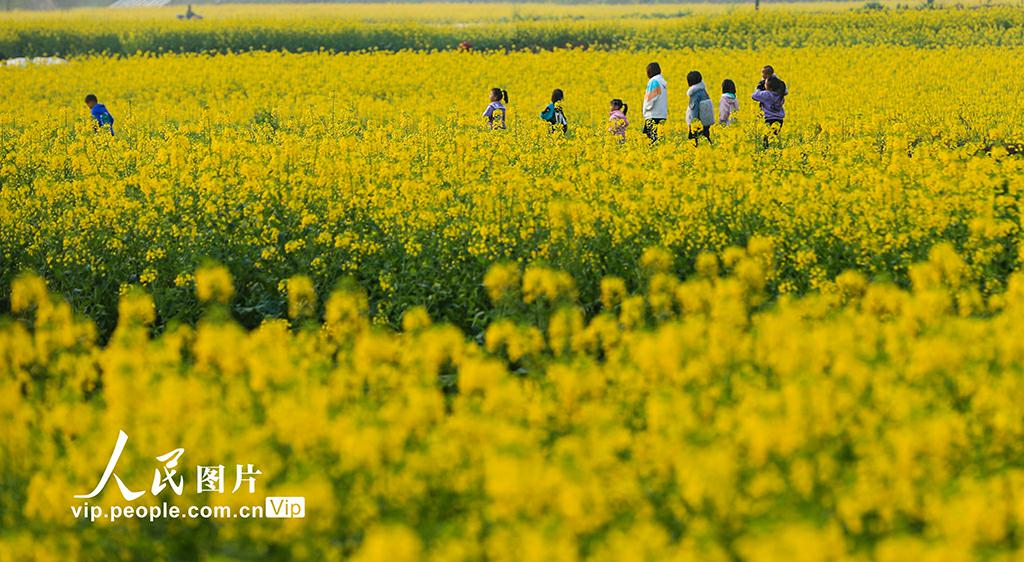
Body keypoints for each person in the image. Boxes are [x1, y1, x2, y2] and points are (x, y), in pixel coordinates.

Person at [752, 75, 786, 147]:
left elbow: (754, 96)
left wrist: (758, 88)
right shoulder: (780, 94)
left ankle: (767, 154)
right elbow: (785, 90)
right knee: (773, 139)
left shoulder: (766, 94)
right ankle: (774, 152)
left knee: (766, 141)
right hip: (779, 120)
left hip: (769, 120)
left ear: (769, 87)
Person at [685, 71, 715, 146]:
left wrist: (693, 124)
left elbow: (693, 109)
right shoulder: (704, 92)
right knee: (706, 138)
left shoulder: (695, 94)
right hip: (706, 122)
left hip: (697, 124)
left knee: (694, 143)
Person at [642, 62, 667, 143]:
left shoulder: (654, 81)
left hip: (653, 116)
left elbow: (650, 99)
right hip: (661, 115)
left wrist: (646, 108)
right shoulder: (661, 82)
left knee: (648, 142)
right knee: (658, 141)